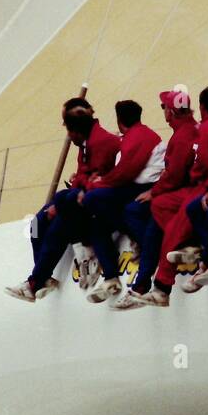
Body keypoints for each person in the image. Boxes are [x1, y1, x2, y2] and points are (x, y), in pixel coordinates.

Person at [115, 86, 208, 310]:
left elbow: (176, 175)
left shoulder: (183, 136)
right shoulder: (192, 129)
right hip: (188, 189)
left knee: (144, 214)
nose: (164, 111)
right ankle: (145, 282)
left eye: (164, 107)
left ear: (170, 112)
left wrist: (154, 191)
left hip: (187, 191)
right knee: (153, 219)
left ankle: (147, 278)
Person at [5, 97, 118, 302]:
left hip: (92, 202)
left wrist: (61, 205)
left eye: (68, 129)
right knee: (37, 225)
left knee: (57, 227)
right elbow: (83, 175)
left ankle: (35, 281)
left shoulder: (102, 142)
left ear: (76, 129)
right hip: (76, 196)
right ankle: (43, 276)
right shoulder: (85, 144)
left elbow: (99, 179)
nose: (67, 134)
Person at [81, 100, 165, 302]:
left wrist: (98, 184)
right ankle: (110, 276)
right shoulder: (137, 135)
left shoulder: (140, 137)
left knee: (93, 199)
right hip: (130, 186)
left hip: (140, 187)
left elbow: (126, 172)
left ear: (119, 120)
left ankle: (145, 248)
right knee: (97, 225)